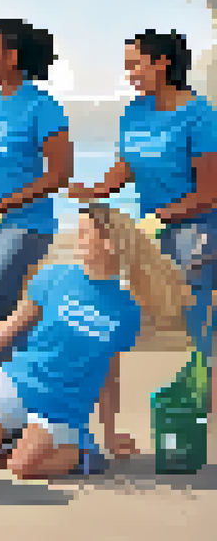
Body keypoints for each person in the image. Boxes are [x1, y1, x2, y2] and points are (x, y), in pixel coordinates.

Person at [0, 203, 191, 479]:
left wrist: (110, 433)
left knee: (23, 469)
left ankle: (82, 455)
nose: (77, 236)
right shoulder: (53, 277)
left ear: (109, 244)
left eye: (86, 232)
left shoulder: (126, 309)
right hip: (17, 381)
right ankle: (22, 439)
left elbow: (109, 372)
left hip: (63, 404)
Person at [69, 30, 217, 406]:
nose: (129, 73)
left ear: (163, 63)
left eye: (135, 64)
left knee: (197, 317)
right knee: (171, 317)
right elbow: (125, 168)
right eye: (127, 66)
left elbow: (208, 191)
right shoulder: (134, 112)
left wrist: (160, 218)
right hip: (156, 230)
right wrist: (92, 191)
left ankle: (208, 403)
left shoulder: (198, 116)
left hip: (195, 229)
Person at [0, 20, 72, 397]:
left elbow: (60, 173)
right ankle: (15, 391)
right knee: (3, 314)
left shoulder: (42, 106)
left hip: (26, 224)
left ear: (12, 56)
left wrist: (4, 204)